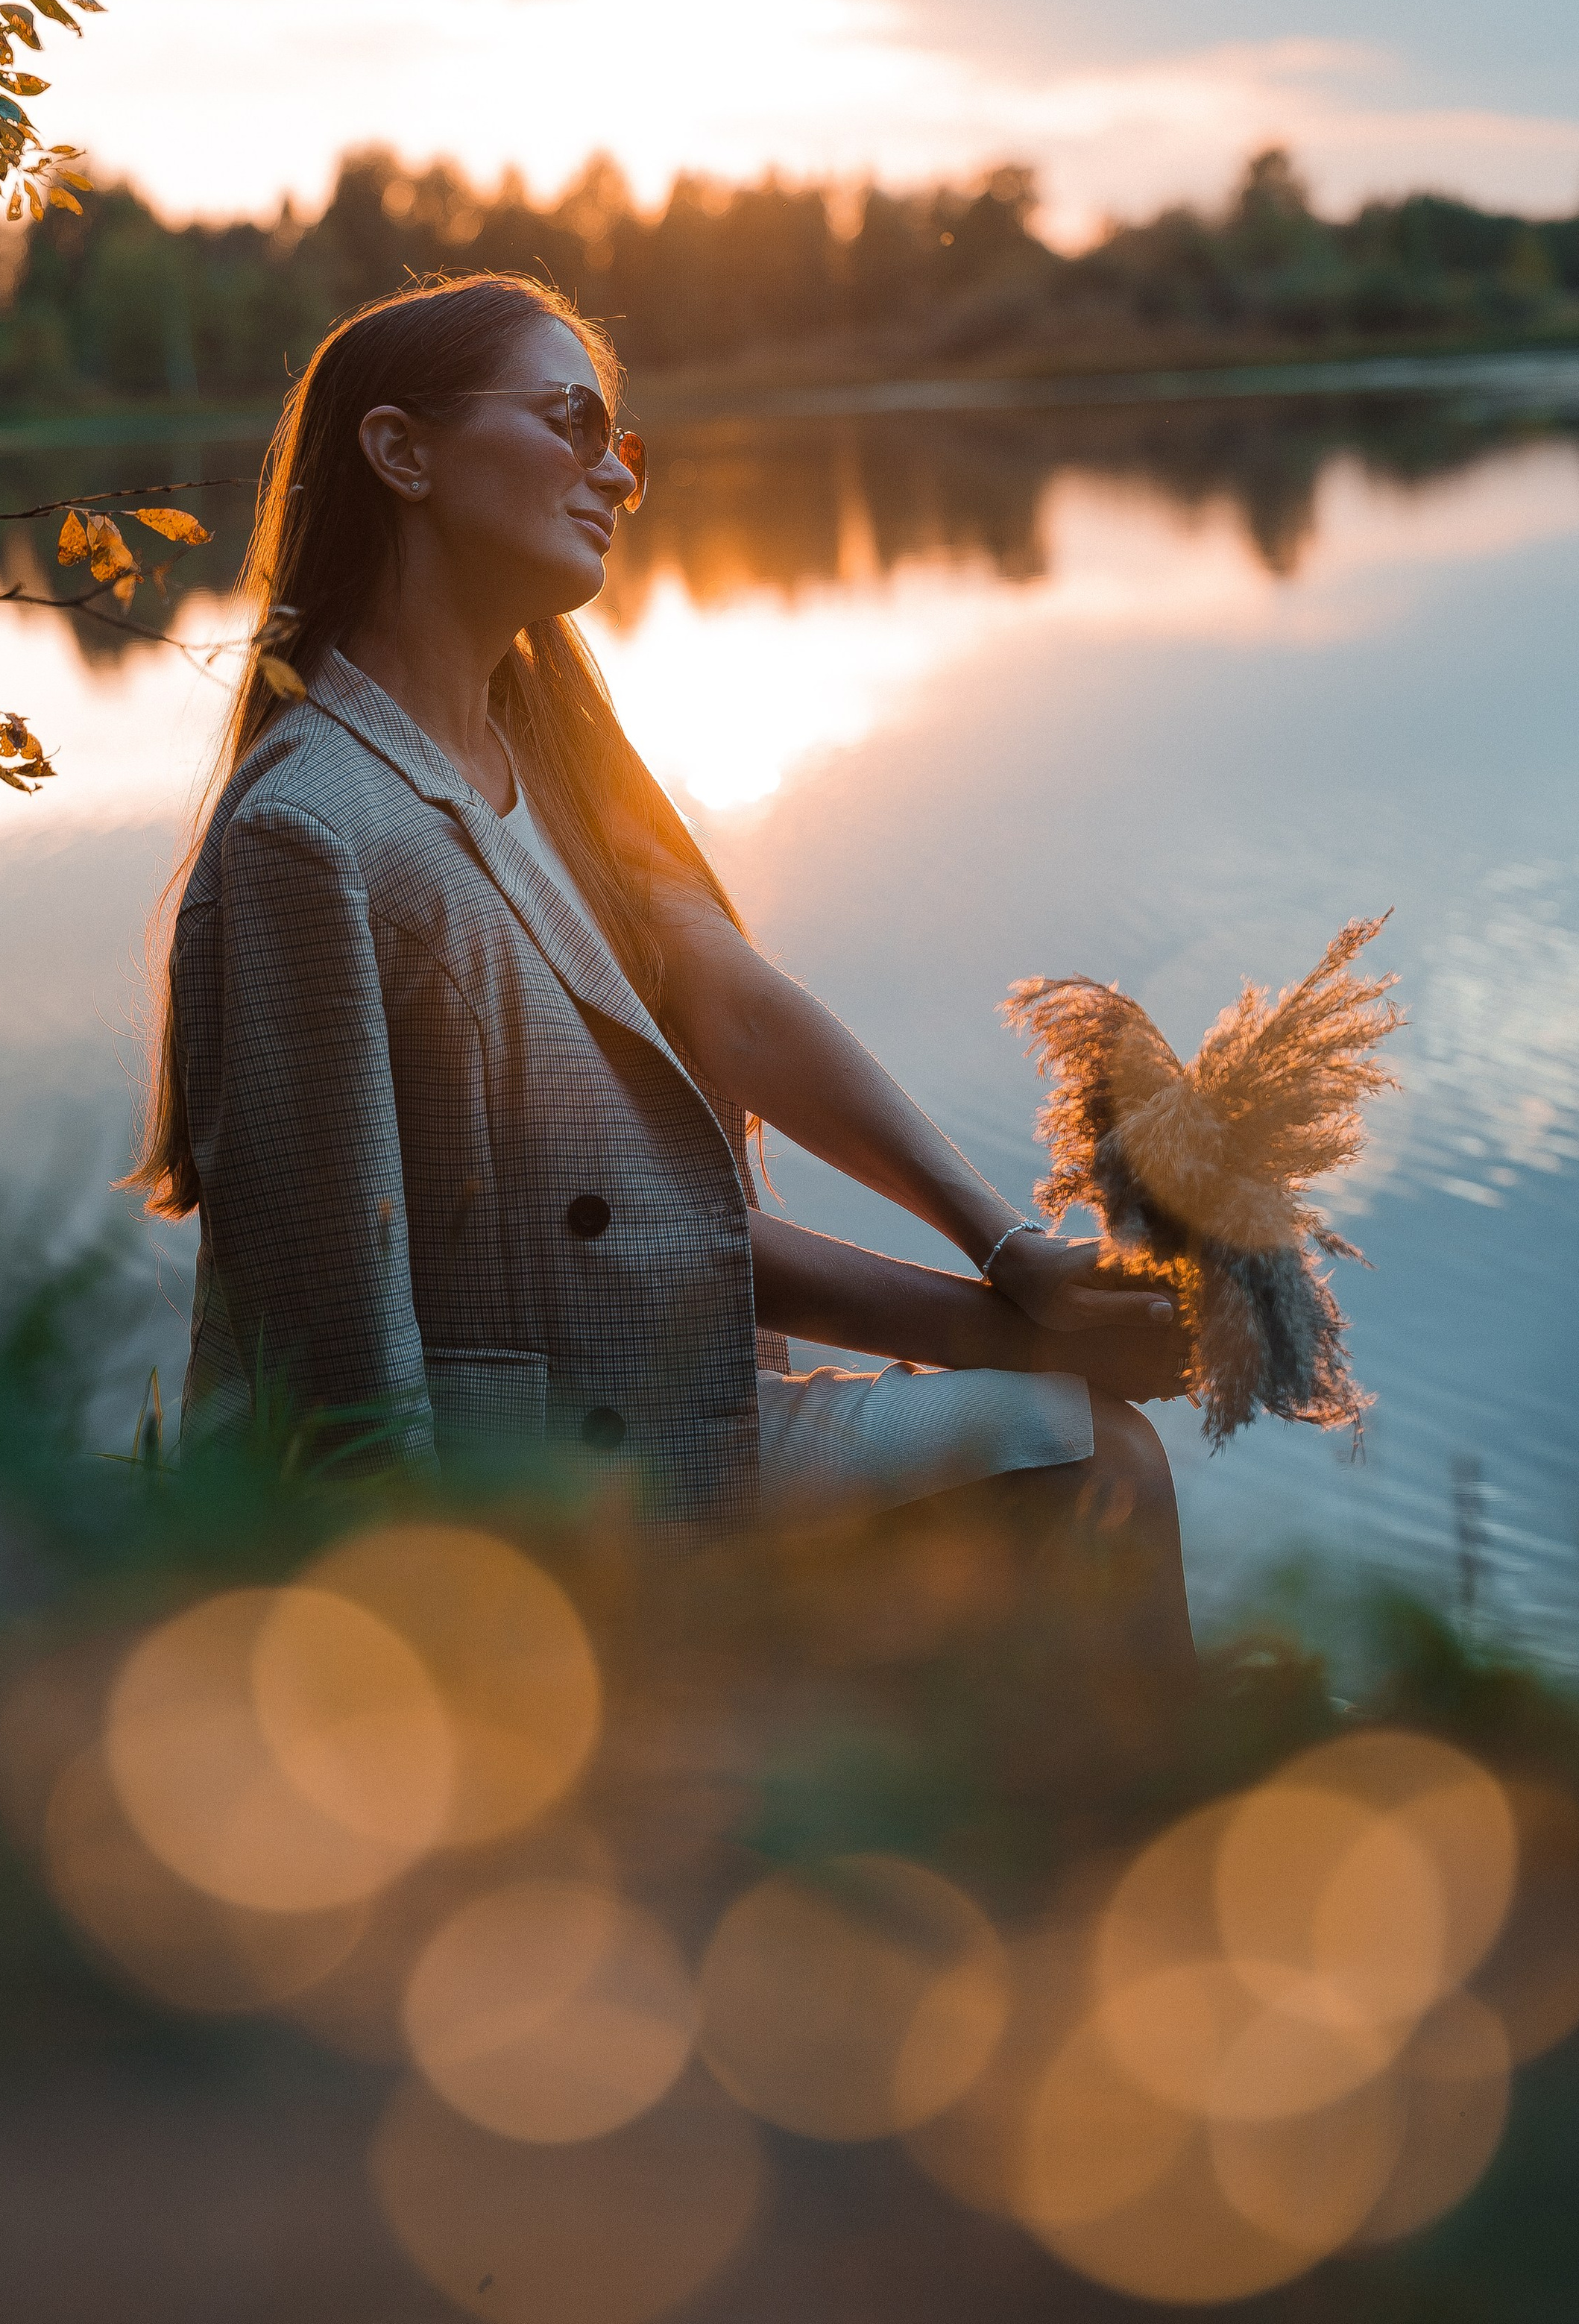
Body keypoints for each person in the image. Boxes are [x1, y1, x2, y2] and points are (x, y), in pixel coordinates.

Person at [131, 274, 1194, 1666]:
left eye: (623, 439)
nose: (619, 475)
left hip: (663, 1408)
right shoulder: (309, 831)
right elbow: (332, 1322)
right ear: (401, 453)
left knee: (1086, 1448)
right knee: (1094, 1460)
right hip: (529, 1494)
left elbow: (727, 1029)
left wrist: (1015, 1264)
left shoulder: (551, 749)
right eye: (572, 421)